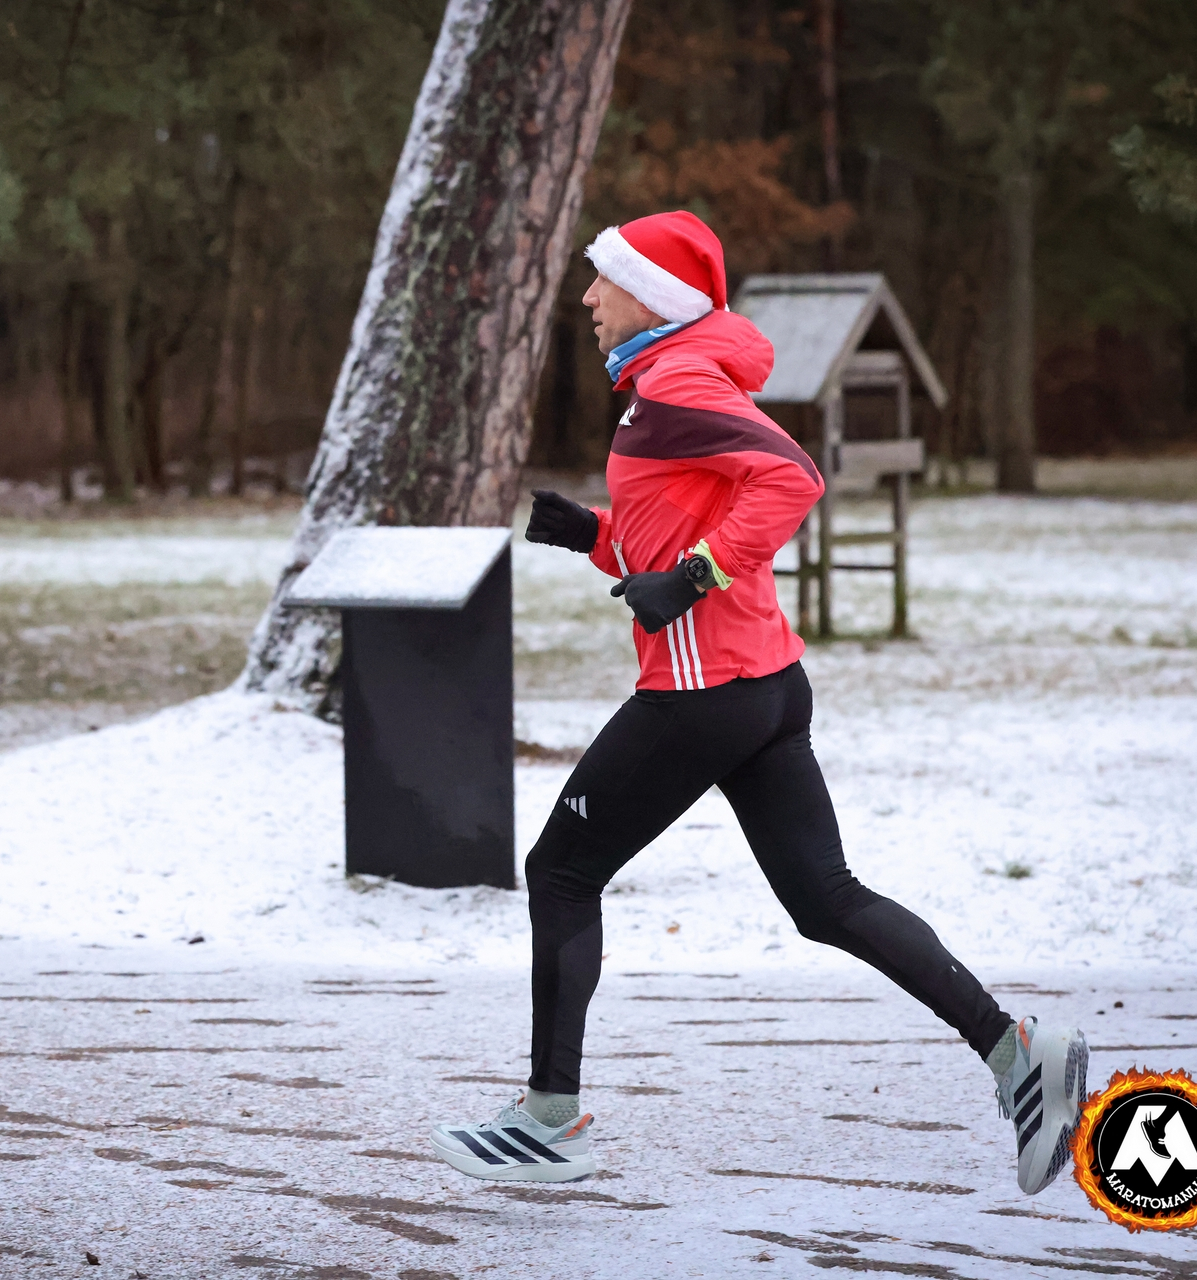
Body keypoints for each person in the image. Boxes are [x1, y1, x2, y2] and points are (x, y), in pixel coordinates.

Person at [427, 211, 1087, 1196]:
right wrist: (596, 536)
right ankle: (1017, 1053)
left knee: (561, 868)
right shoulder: (667, 382)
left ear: (651, 291)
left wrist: (690, 578)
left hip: (702, 694)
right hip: (761, 687)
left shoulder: (679, 380)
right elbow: (685, 518)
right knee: (828, 899)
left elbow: (792, 477)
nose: (587, 298)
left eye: (601, 279)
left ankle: (549, 1119)